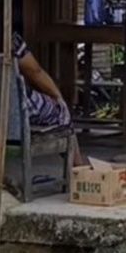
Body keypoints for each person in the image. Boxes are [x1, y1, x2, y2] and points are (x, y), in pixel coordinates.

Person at [12, 32, 88, 166]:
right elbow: (34, 71)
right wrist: (58, 98)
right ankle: (79, 170)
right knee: (61, 112)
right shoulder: (7, 37)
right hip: (12, 108)